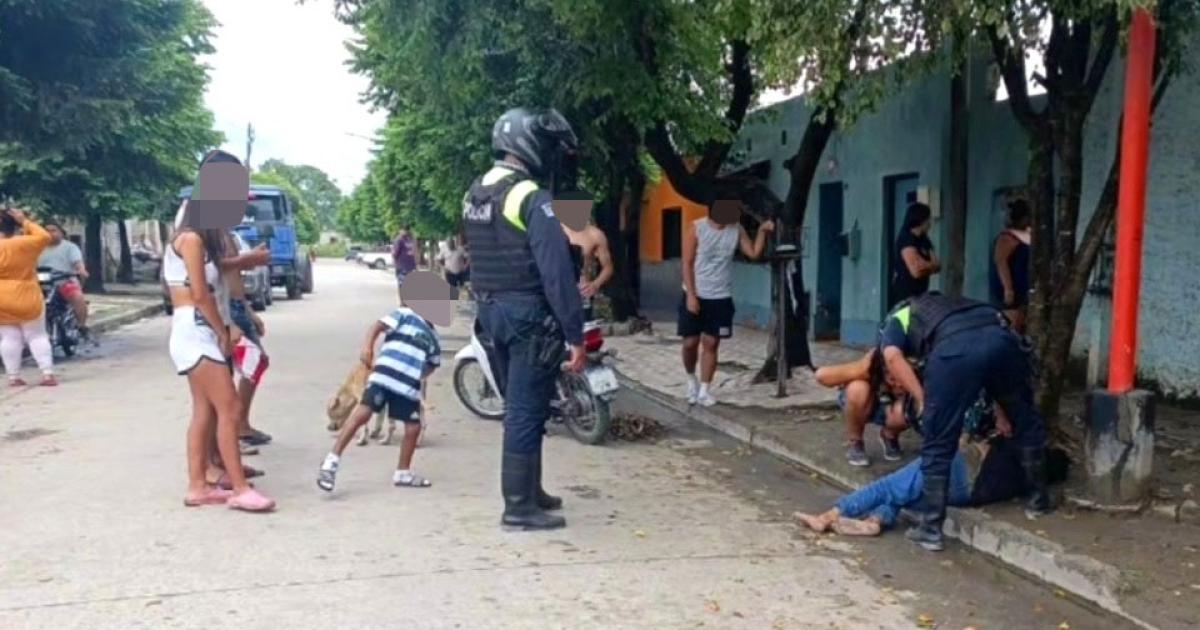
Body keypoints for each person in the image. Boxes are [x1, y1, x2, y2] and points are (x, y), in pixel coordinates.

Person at [462, 107, 586, 531]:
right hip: (527, 315)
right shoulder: (530, 195)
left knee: (524, 406)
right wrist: (575, 332)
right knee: (525, 411)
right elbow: (556, 272)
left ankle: (532, 492)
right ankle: (518, 506)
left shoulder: (477, 191)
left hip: (490, 309)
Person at [878, 292, 1050, 551]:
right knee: (1024, 420)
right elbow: (986, 351)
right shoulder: (961, 303)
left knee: (938, 441)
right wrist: (1003, 409)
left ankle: (931, 528)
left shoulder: (898, 316)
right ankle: (1038, 499)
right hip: (1003, 341)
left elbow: (892, 356)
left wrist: (921, 398)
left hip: (954, 352)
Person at [167, 151, 274, 512]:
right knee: (227, 407)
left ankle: (199, 484)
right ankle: (239, 488)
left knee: (206, 411)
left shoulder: (198, 235)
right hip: (196, 329)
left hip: (194, 329)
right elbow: (200, 294)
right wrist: (224, 329)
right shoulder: (192, 238)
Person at [795, 411, 1065, 537]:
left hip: (964, 470)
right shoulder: (1029, 478)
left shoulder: (1015, 448)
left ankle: (829, 515)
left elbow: (981, 449)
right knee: (904, 495)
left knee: (890, 485)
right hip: (969, 493)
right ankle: (875, 520)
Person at [317, 297, 441, 492]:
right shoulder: (404, 314)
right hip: (384, 376)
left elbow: (433, 363)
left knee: (413, 428)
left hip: (407, 386)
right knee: (362, 414)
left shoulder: (433, 336)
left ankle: (403, 472)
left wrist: (418, 373)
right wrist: (367, 346)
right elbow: (377, 326)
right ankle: (331, 461)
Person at [680, 199, 775, 407]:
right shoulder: (697, 228)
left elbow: (752, 253)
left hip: (720, 295)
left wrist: (761, 231)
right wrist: (691, 295)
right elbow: (686, 263)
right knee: (690, 343)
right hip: (696, 293)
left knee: (711, 343)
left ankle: (705, 390)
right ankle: (690, 378)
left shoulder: (736, 230)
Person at [220, 231, 272, 449]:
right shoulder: (207, 233)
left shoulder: (226, 233)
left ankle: (238, 425)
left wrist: (249, 311)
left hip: (236, 306)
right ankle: (231, 432)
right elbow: (215, 268)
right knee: (230, 371)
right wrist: (246, 259)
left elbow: (233, 278)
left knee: (255, 363)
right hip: (226, 308)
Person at [816, 350, 911, 467]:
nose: (898, 383)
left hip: (895, 407)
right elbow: (821, 376)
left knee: (913, 407)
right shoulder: (874, 364)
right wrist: (862, 368)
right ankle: (856, 441)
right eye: (892, 378)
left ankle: (889, 435)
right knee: (857, 389)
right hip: (868, 402)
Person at [0, 207, 56, 387]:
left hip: (2, 296)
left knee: (9, 337)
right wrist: (24, 220)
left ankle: (13, 377)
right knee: (36, 335)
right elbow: (45, 237)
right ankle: (47, 374)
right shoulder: (24, 243)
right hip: (27, 292)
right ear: (13, 227)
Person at [559, 193, 613, 321]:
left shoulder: (595, 235)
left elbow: (608, 268)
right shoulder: (554, 229)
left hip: (581, 293)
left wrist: (595, 285)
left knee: (582, 337)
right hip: (556, 290)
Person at [37, 221, 90, 339]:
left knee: (77, 296)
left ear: (61, 233)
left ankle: (82, 326)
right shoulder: (37, 247)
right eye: (47, 230)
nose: (50, 233)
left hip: (64, 281)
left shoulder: (70, 247)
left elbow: (78, 263)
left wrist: (81, 270)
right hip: (40, 282)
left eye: (53, 230)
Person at [989, 199, 1032, 332]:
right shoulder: (1007, 237)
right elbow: (1001, 261)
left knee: (1020, 322)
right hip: (1009, 288)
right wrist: (1008, 289)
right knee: (1009, 323)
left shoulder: (1024, 236)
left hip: (1020, 287)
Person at [890, 202, 939, 308]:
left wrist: (924, 266)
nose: (930, 223)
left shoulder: (925, 240)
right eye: (928, 219)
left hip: (921, 296)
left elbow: (937, 265)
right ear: (921, 220)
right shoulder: (906, 239)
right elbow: (916, 271)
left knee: (919, 323)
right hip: (904, 298)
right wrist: (929, 265)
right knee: (906, 324)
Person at [392, 225, 417, 295]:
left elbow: (414, 252)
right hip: (401, 265)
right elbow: (394, 253)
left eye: (407, 230)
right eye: (404, 230)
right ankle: (402, 301)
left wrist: (415, 264)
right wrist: (395, 263)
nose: (405, 232)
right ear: (400, 230)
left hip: (410, 265)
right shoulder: (399, 240)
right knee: (401, 283)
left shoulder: (410, 239)